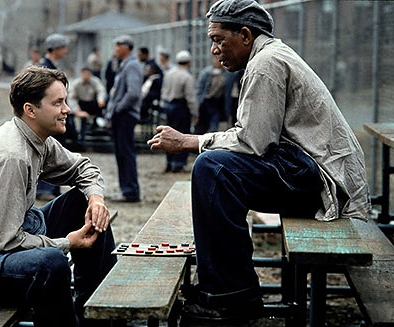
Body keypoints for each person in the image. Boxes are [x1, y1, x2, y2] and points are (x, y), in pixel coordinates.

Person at [148, 0, 371, 321]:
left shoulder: (266, 64)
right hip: (308, 170)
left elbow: (253, 142)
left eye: (219, 40)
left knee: (214, 170)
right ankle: (225, 288)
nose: (214, 50)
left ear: (245, 35)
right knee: (217, 170)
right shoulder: (269, 56)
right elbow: (256, 139)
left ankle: (230, 298)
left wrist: (189, 141)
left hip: (323, 183)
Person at [0, 66, 116, 327]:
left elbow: (82, 168)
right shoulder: (11, 157)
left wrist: (96, 199)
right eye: (58, 103)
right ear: (31, 110)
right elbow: (2, 242)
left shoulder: (36, 137)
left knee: (82, 203)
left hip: (8, 234)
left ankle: (97, 314)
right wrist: (66, 243)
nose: (67, 109)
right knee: (52, 263)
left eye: (65, 101)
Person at [104, 35, 142, 202]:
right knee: (122, 153)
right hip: (121, 115)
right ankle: (127, 190)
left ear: (127, 47)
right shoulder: (125, 65)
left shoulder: (132, 65)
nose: (116, 49)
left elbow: (133, 93)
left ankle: (130, 191)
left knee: (125, 153)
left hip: (125, 115)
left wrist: (118, 109)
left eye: (118, 46)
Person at [37, 33, 73, 199]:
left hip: (56, 115)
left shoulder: (52, 66)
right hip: (49, 116)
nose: (66, 51)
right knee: (47, 152)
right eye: (63, 47)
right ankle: (45, 189)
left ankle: (52, 188)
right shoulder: (45, 68)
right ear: (56, 49)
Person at [159, 50, 198, 173]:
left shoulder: (168, 73)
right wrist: (195, 113)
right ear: (189, 62)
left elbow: (163, 91)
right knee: (181, 135)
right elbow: (190, 97)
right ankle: (178, 163)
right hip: (181, 107)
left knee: (168, 134)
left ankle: (169, 162)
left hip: (168, 105)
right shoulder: (187, 76)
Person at [70, 66, 107, 151]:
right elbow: (72, 97)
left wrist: (100, 99)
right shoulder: (76, 83)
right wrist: (76, 109)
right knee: (77, 122)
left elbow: (101, 90)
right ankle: (78, 140)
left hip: (93, 104)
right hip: (81, 104)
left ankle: (99, 122)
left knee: (102, 102)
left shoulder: (95, 81)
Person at [195, 56, 229, 134]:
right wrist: (198, 104)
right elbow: (199, 89)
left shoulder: (226, 73)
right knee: (202, 126)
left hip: (217, 102)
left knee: (214, 124)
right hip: (206, 102)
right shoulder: (206, 73)